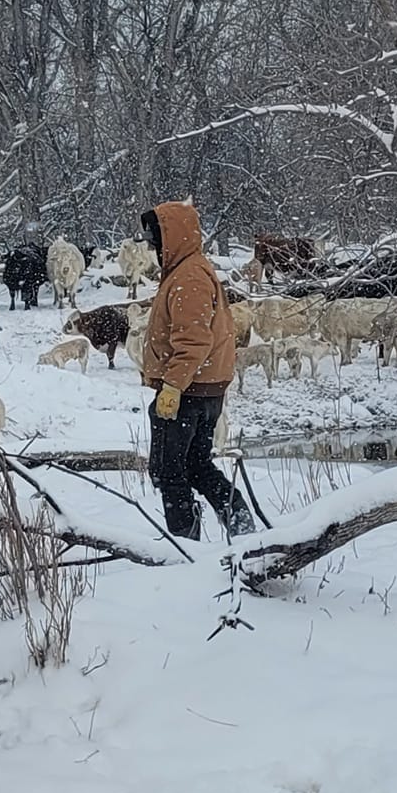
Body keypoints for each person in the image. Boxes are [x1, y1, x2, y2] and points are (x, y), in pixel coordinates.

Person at [138, 198, 255, 541]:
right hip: (202, 388)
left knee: (169, 471)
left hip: (187, 391)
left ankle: (184, 548)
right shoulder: (190, 270)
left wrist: (172, 387)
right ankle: (240, 527)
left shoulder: (189, 277)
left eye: (156, 236)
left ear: (173, 236)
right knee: (196, 466)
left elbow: (193, 340)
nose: (152, 245)